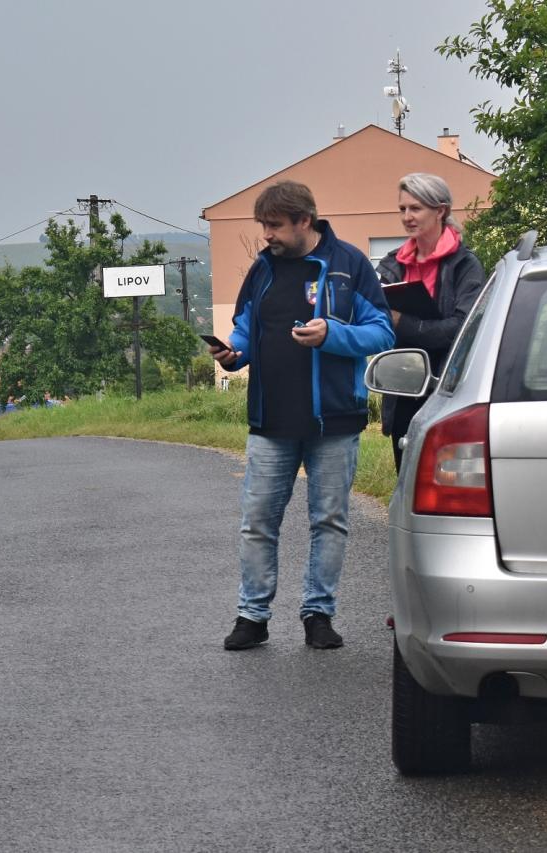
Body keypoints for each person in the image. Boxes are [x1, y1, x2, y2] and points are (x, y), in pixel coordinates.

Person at [209, 181, 394, 651]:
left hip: (334, 418)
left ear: (304, 221)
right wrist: (235, 353)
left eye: (274, 225)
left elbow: (381, 333)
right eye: (263, 225)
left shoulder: (350, 265)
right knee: (257, 522)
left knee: (328, 521)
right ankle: (252, 617)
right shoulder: (263, 268)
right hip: (270, 419)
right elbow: (246, 327)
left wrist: (332, 334)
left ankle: (318, 615)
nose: (266, 234)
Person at [376, 173, 486, 471]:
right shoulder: (391, 264)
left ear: (441, 210)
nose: (407, 217)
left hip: (449, 389)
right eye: (402, 209)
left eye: (416, 208)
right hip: (403, 388)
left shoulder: (466, 265)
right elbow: (377, 324)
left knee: (446, 482)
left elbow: (462, 330)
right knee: (406, 481)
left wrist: (401, 321)